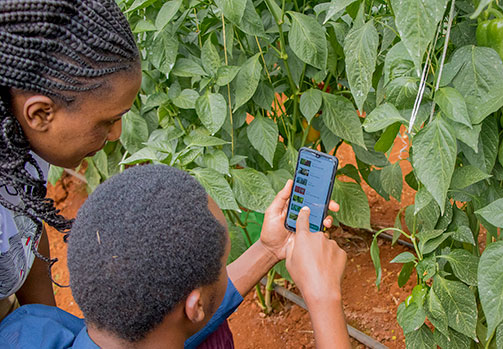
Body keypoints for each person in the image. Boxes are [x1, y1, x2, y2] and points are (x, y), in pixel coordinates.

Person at [0, 165, 351, 348]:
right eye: (220, 265)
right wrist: (323, 299)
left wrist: (269, 249)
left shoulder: (28, 327)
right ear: (195, 306)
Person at [0, 0, 141, 318]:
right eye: (107, 121)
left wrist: (47, 322)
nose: (117, 133)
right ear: (40, 114)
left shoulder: (22, 140)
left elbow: (27, 226)